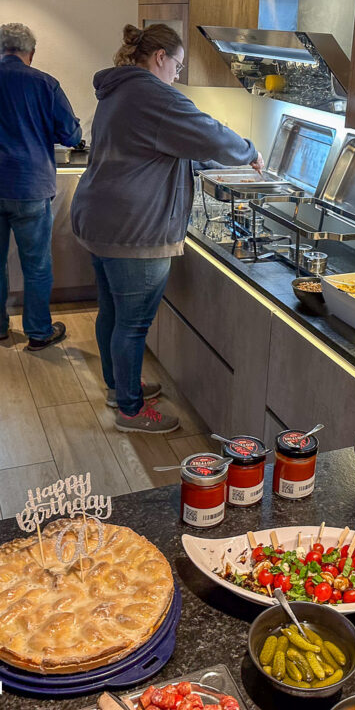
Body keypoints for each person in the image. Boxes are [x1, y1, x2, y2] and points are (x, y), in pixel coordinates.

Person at [72, 24, 263, 434]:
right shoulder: (151, 94)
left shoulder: (120, 89)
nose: (177, 74)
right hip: (133, 229)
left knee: (113, 312)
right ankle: (131, 409)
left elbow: (170, 148)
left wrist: (222, 162)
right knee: (133, 323)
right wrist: (249, 151)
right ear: (160, 57)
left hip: (102, 219)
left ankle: (119, 387)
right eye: (176, 64)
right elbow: (208, 134)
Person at [0, 22, 83, 350]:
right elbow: (72, 136)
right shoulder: (46, 84)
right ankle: (39, 332)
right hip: (29, 186)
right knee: (36, 263)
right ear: (32, 53)